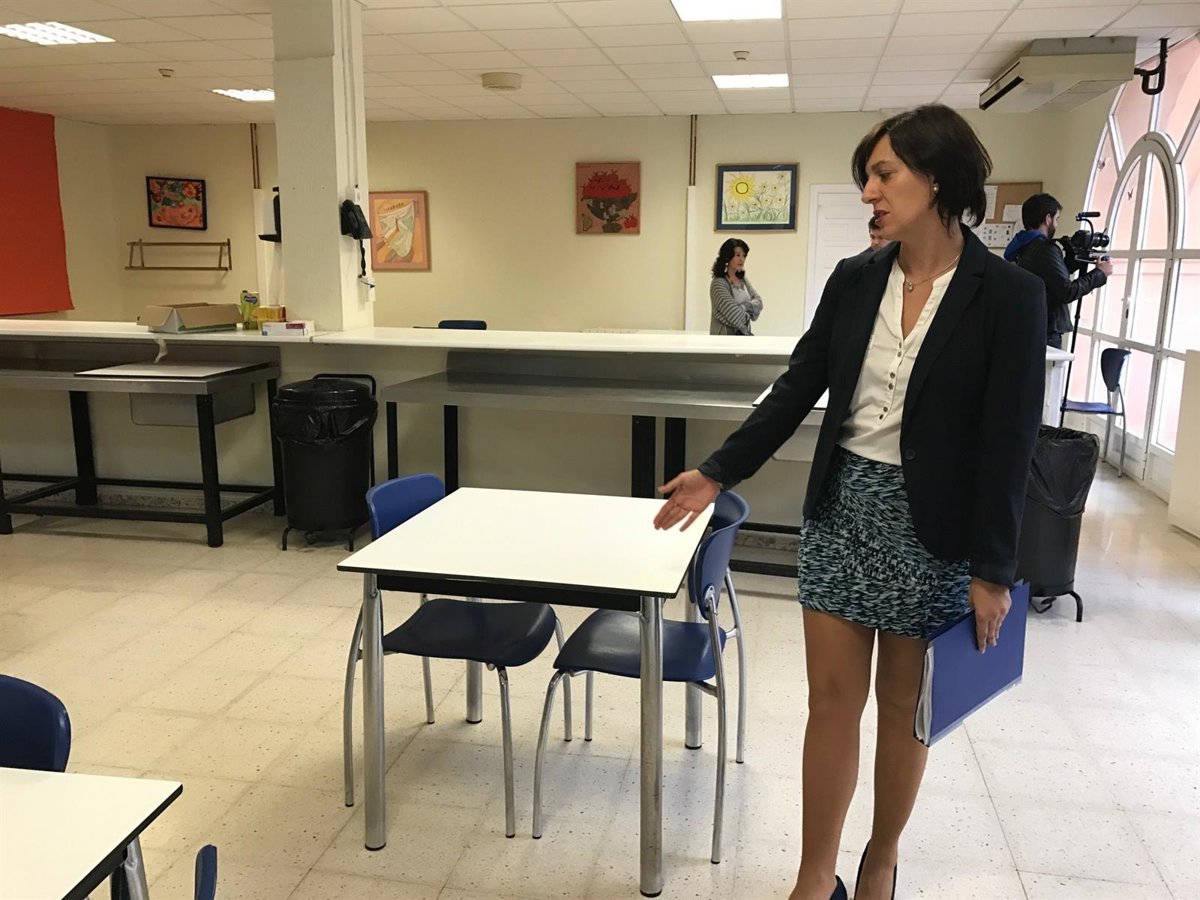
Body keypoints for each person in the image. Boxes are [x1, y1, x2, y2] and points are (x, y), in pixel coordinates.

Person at [654, 105, 1046, 900]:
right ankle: (813, 877)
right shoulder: (855, 279)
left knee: (903, 708)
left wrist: (993, 570)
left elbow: (1011, 443)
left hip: (933, 528)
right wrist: (719, 472)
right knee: (830, 702)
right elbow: (796, 387)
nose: (869, 191)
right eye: (867, 176)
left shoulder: (1008, 295)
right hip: (842, 510)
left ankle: (881, 861)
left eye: (884, 174)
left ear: (937, 179)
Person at [1003, 192, 1112, 348]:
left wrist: (1070, 261)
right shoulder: (1045, 248)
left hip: (1031, 326)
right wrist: (1100, 274)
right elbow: (1067, 291)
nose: (1057, 224)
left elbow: (1050, 279)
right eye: (1057, 219)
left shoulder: (1023, 246)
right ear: (1048, 219)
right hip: (1046, 331)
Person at [710, 238, 763, 335]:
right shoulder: (718, 284)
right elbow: (735, 315)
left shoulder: (743, 280)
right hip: (723, 338)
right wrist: (749, 310)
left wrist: (743, 307)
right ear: (728, 257)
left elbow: (759, 303)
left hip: (742, 337)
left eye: (744, 255)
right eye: (737, 255)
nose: (741, 259)